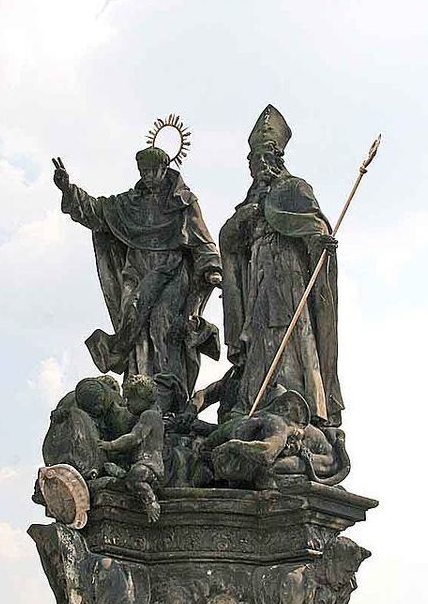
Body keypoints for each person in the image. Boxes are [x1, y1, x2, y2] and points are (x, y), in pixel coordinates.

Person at [54, 147, 222, 397]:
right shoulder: (130, 203)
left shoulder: (183, 201)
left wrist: (211, 268)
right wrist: (69, 190)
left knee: (162, 323)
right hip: (137, 270)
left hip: (171, 270)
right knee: (132, 320)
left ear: (164, 169)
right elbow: (98, 211)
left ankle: (169, 391)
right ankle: (138, 388)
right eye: (143, 172)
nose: (147, 176)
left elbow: (202, 236)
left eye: (151, 171)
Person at [219, 105, 344, 425]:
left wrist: (319, 242)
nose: (256, 167)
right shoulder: (249, 202)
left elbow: (315, 226)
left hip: (288, 276)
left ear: (275, 160)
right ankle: (258, 398)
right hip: (258, 274)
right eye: (252, 162)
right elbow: (230, 241)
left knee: (290, 333)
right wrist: (243, 219)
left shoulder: (294, 188)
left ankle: (297, 398)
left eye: (261, 160)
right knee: (258, 333)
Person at [98, 374, 165, 520]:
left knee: (134, 477)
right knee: (133, 473)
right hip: (142, 464)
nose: (127, 403)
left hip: (149, 466)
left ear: (143, 396)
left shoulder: (150, 415)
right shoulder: (147, 415)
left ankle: (151, 501)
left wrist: (110, 445)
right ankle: (124, 474)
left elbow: (134, 438)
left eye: (130, 399)